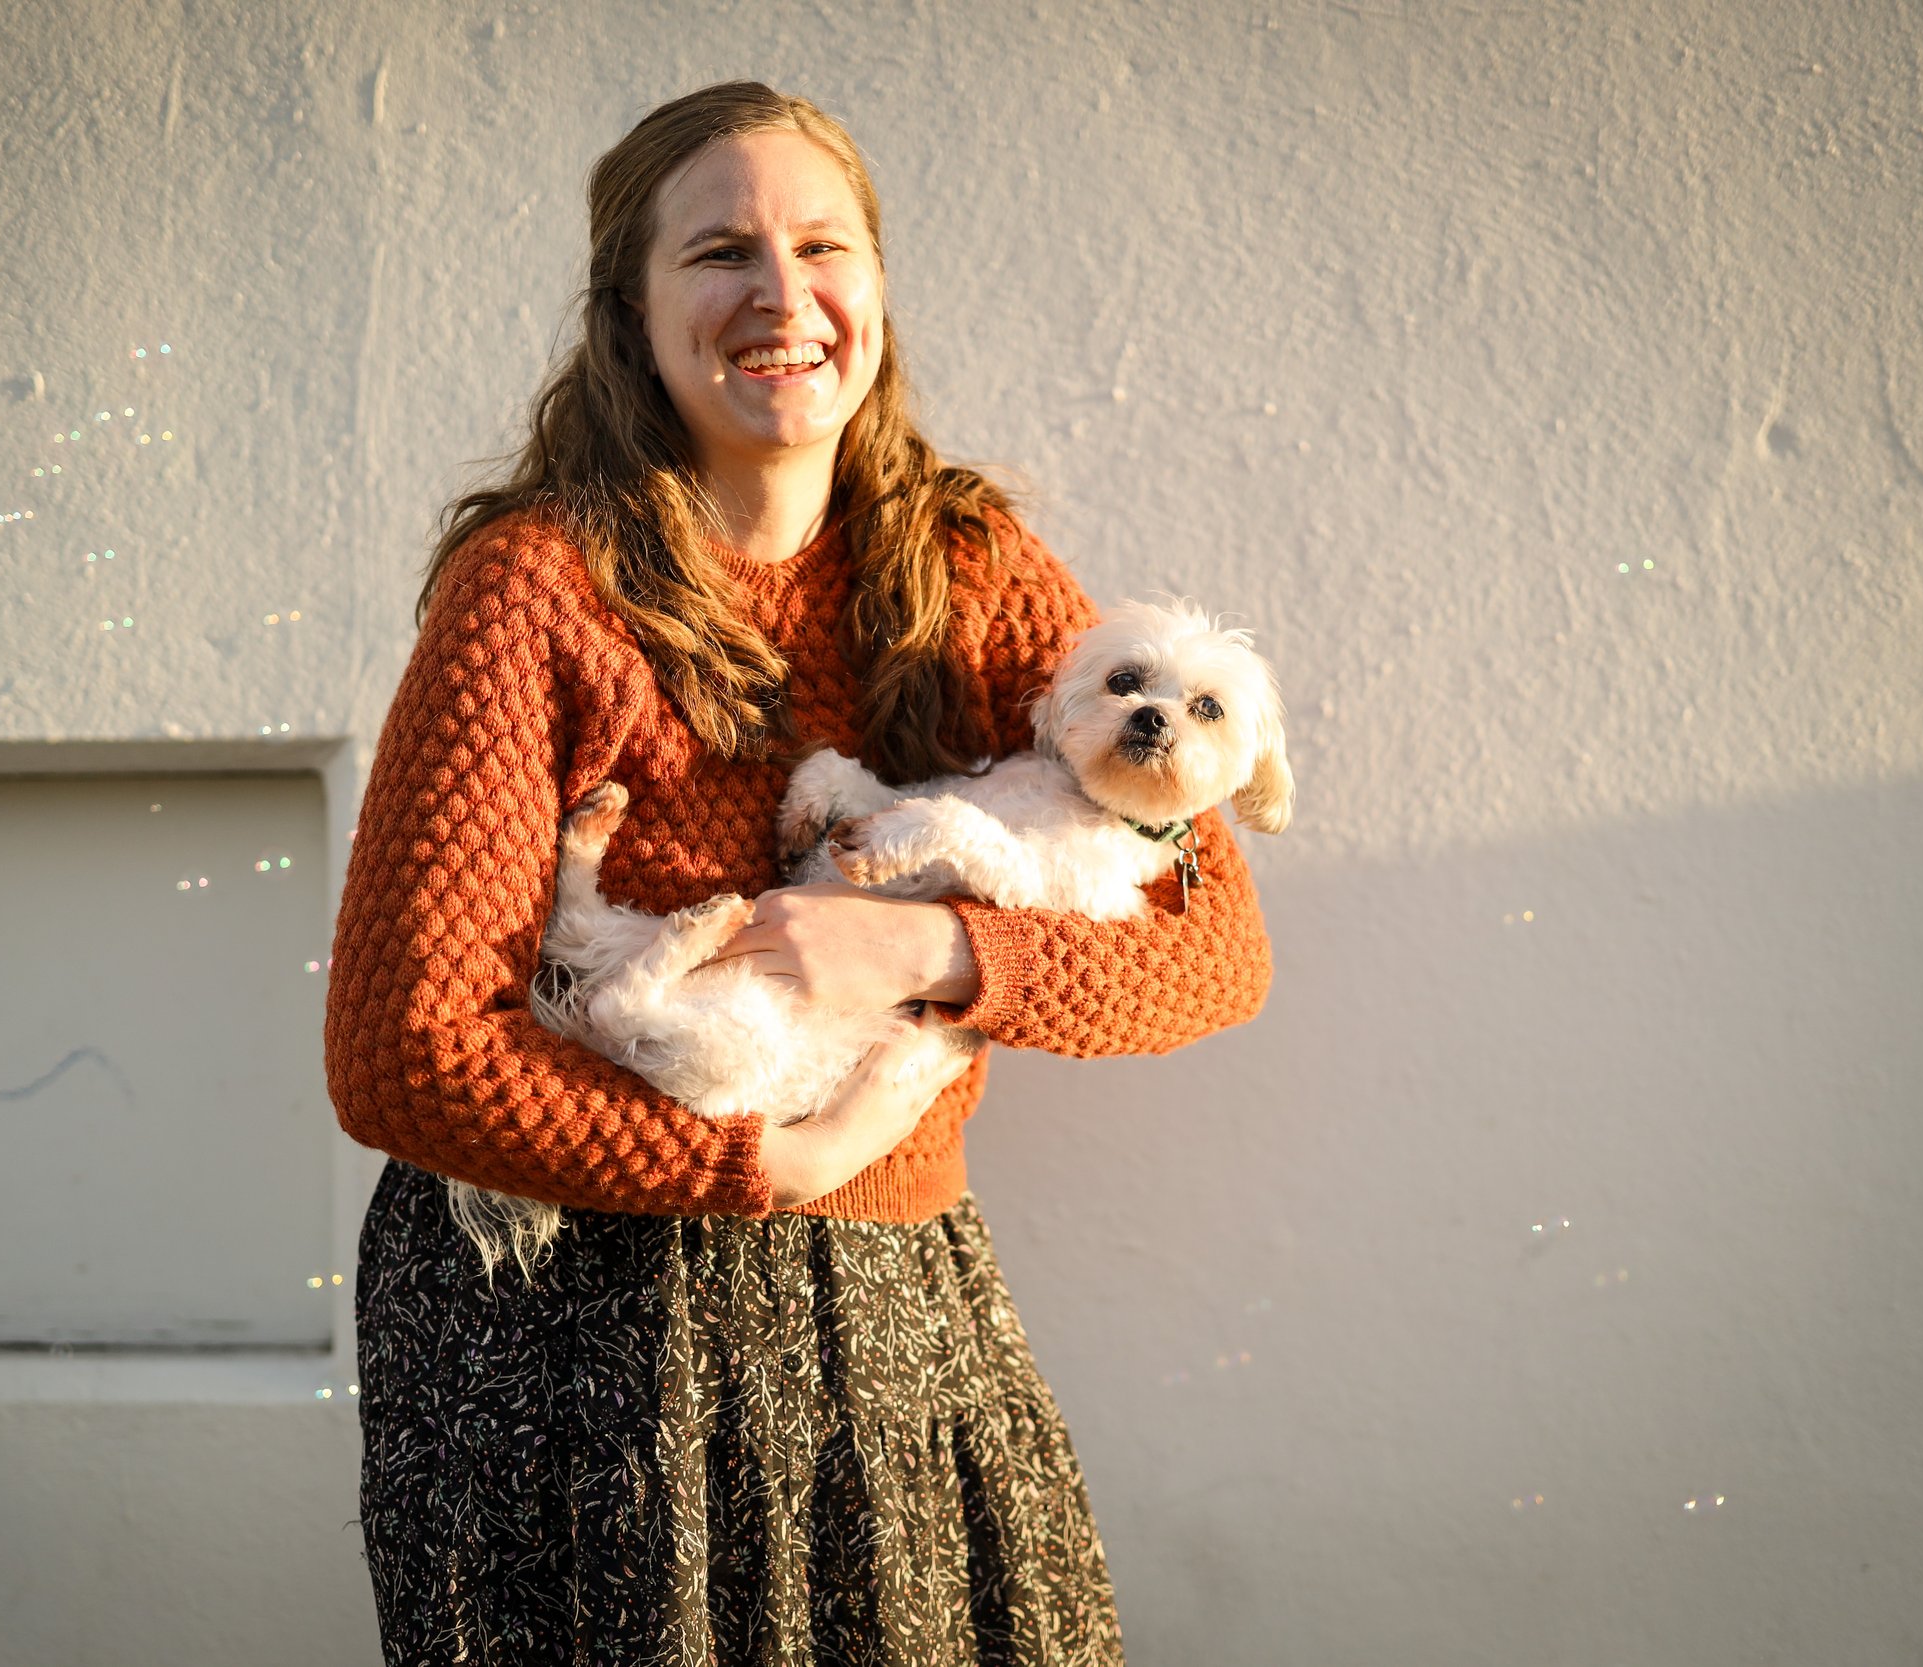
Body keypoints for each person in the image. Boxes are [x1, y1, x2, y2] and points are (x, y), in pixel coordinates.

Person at [323, 80, 1273, 1666]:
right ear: (630, 312)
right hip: (568, 1337)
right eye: (720, 252)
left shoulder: (966, 571)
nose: (782, 293)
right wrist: (765, 1164)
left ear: (876, 287)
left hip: (889, 1296)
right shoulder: (533, 592)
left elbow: (1214, 948)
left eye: (823, 246)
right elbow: (401, 1053)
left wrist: (924, 954)